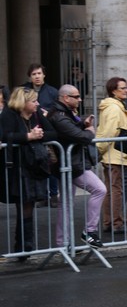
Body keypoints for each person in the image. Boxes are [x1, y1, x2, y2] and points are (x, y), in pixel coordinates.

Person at [0, 87, 57, 259]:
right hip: (16, 166)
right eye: (34, 101)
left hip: (34, 165)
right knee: (23, 203)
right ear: (23, 102)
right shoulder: (9, 114)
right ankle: (23, 246)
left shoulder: (37, 113)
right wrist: (27, 137)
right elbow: (5, 136)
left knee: (29, 203)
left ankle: (26, 245)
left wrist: (38, 135)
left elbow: (52, 132)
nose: (37, 104)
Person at [48, 85, 107, 248]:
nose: (80, 99)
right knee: (99, 189)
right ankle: (89, 231)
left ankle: (63, 243)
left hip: (70, 164)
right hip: (71, 165)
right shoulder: (59, 116)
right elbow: (79, 136)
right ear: (66, 98)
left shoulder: (63, 113)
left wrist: (83, 124)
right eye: (77, 96)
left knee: (65, 204)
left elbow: (72, 131)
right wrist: (89, 131)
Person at [96, 77, 127, 235]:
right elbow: (110, 132)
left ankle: (109, 221)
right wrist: (100, 149)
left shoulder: (113, 106)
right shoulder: (115, 108)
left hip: (111, 154)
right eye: (122, 88)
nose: (126, 90)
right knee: (116, 190)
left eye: (126, 87)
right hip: (114, 155)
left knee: (111, 189)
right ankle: (116, 222)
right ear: (113, 91)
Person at [24, 63, 59, 208]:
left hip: (46, 130)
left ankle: (53, 194)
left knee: (50, 161)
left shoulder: (52, 91)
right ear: (30, 77)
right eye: (34, 74)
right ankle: (41, 195)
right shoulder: (24, 90)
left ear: (44, 74)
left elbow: (57, 109)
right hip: (30, 131)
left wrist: (47, 114)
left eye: (39, 73)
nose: (37, 77)